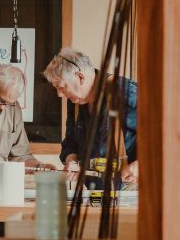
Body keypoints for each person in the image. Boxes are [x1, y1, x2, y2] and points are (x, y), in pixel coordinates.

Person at [43, 48, 138, 183]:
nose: (59, 95)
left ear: (80, 77)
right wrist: (72, 161)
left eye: (62, 87)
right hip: (96, 192)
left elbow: (168, 133)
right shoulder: (76, 101)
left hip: (130, 191)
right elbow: (70, 142)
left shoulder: (123, 92)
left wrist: (140, 165)